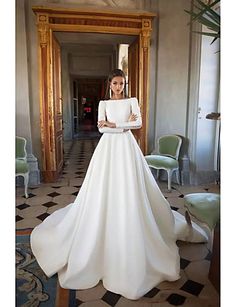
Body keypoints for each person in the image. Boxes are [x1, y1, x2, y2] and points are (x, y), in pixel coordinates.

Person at [30, 69, 207, 300]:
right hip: (107, 148)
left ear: (125, 84)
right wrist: (122, 124)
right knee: (103, 188)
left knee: (130, 186)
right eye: (115, 83)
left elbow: (138, 124)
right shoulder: (103, 103)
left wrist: (116, 124)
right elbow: (101, 128)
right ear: (109, 84)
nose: (118, 86)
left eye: (121, 83)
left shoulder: (132, 100)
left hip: (126, 148)